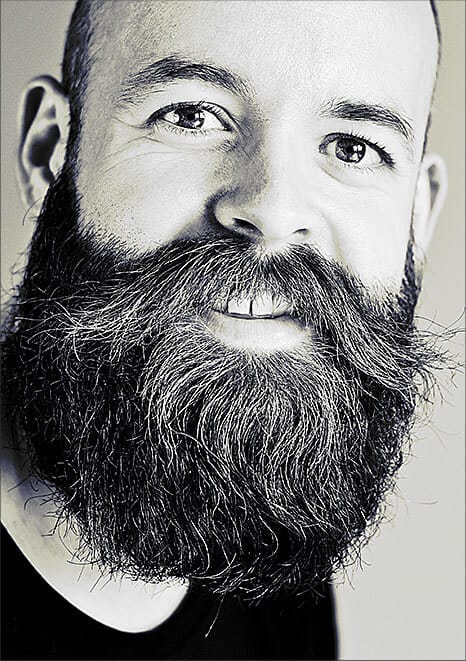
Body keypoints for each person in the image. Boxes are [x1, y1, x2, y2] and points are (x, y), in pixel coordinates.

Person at [0, 0, 449, 658]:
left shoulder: (268, 534)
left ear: (417, 217)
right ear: (49, 154)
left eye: (353, 148)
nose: (273, 210)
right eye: (190, 115)